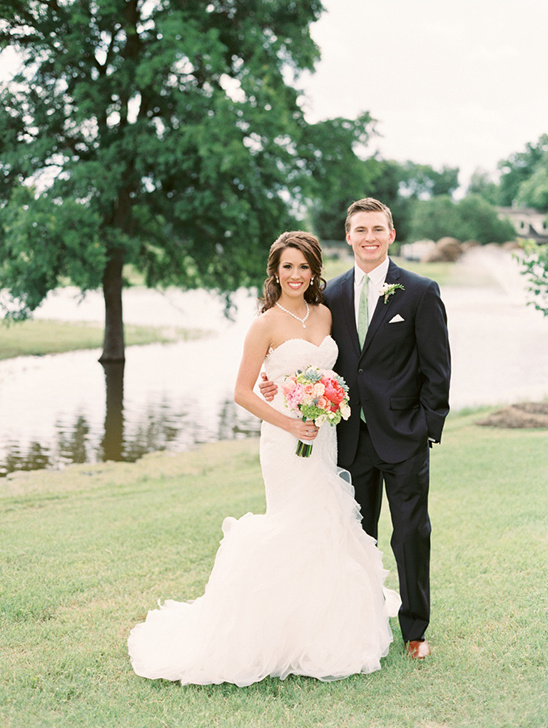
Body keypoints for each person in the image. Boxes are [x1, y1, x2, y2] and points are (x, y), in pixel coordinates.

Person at [128, 231, 400, 686]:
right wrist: (290, 421)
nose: (296, 275)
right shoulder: (265, 324)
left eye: (304, 266)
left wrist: (325, 403)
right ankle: (268, 633)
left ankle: (320, 630)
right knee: (293, 521)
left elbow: (330, 371)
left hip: (324, 433)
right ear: (275, 271)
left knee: (327, 520)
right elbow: (241, 391)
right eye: (287, 266)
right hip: (284, 439)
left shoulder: (327, 313)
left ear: (315, 271)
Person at [260, 199, 451, 659]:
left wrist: (427, 427)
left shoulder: (420, 291)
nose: (369, 237)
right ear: (348, 236)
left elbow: (438, 369)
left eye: (377, 229)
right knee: (355, 536)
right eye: (360, 229)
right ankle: (363, 623)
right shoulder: (331, 297)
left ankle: (415, 631)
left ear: (391, 233)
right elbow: (313, 352)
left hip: (404, 436)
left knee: (410, 533)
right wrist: (276, 382)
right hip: (347, 440)